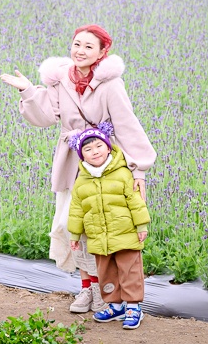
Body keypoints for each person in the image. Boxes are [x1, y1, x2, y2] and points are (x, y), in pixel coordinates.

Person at [0, 24, 156, 313]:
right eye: (76, 44)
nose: (80, 51)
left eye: (88, 46)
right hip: (73, 162)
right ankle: (88, 289)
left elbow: (127, 126)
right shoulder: (61, 80)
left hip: (104, 165)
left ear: (101, 53)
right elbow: (46, 116)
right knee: (73, 225)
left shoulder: (110, 85)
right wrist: (28, 92)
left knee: (100, 228)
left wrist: (138, 170)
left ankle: (102, 291)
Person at [67, 123, 150, 329]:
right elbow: (76, 209)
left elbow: (136, 202)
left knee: (130, 271)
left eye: (98, 146)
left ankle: (133, 306)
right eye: (88, 149)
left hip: (125, 234)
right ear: (82, 155)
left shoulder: (122, 173)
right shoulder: (81, 180)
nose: (94, 152)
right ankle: (115, 305)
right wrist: (74, 235)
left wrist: (141, 226)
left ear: (108, 147)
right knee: (107, 273)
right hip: (99, 237)